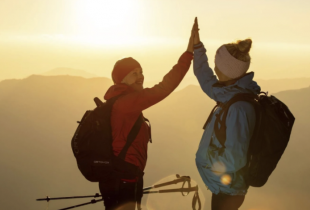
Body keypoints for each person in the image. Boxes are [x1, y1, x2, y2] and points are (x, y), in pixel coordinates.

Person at [99, 19, 198, 210]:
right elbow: (164, 88)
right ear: (122, 79)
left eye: (141, 72)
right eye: (134, 73)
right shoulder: (126, 103)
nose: (141, 76)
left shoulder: (120, 101)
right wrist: (188, 55)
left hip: (120, 177)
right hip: (125, 177)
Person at [192, 18, 261, 210]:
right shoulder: (230, 93)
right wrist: (197, 47)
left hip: (229, 189)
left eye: (217, 66)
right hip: (223, 185)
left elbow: (235, 158)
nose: (214, 69)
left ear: (227, 71)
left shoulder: (238, 108)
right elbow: (206, 80)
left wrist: (207, 162)